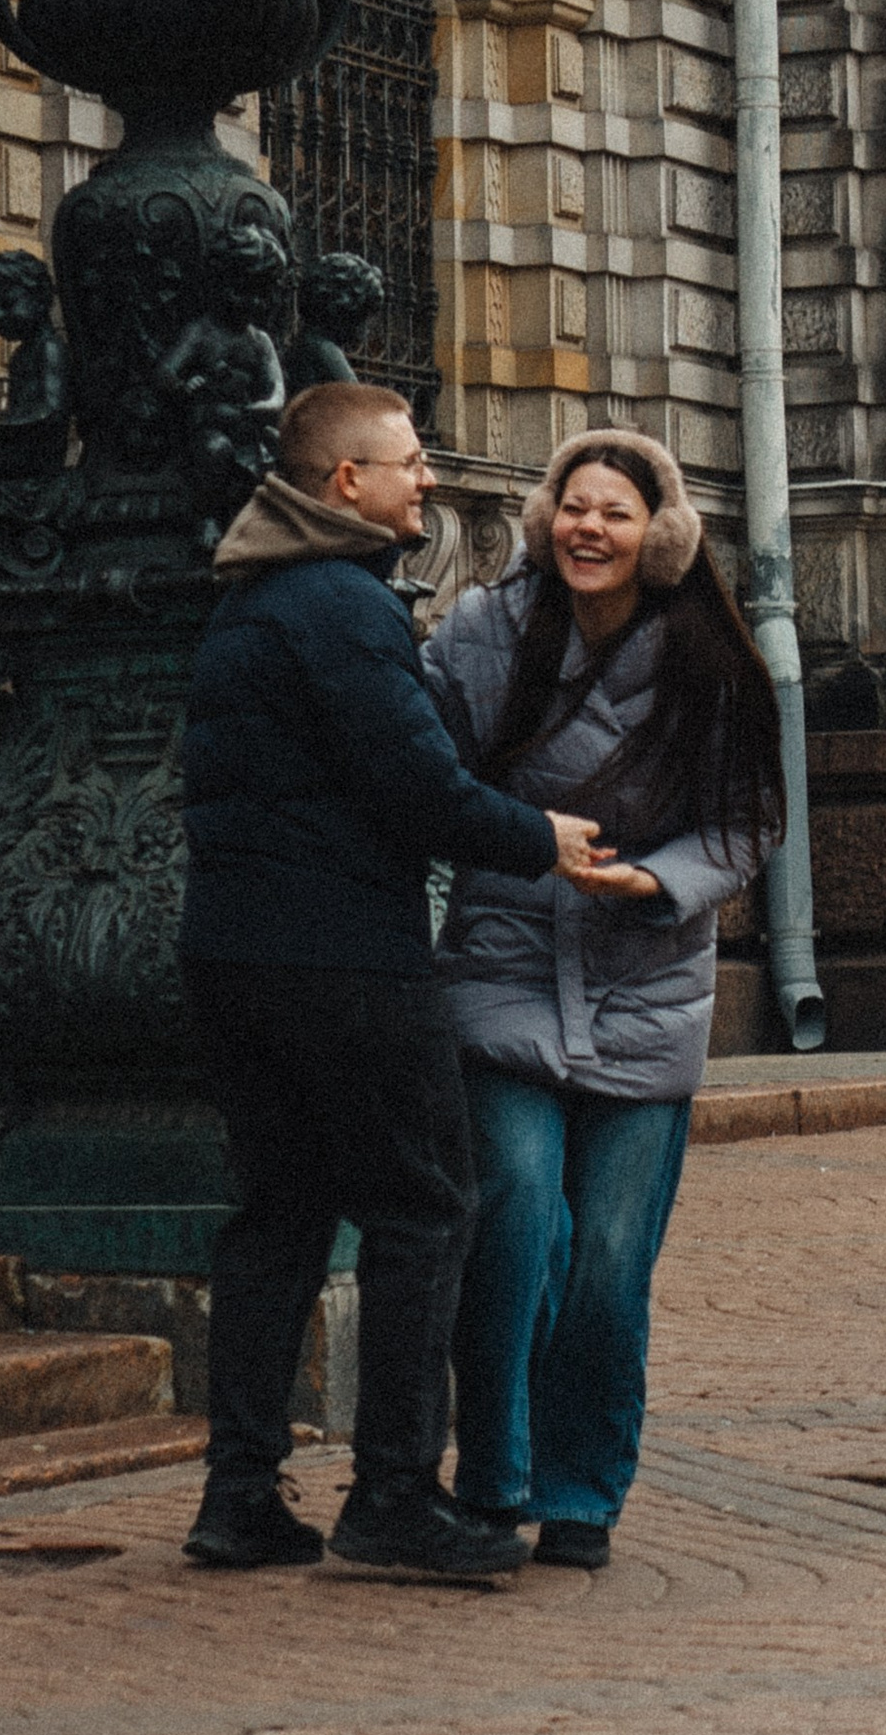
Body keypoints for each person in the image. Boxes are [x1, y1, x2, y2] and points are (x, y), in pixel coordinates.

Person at [177, 376, 606, 1579]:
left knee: (279, 1219)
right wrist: (545, 840)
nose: (428, 477)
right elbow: (416, 789)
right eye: (409, 461)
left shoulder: (252, 602)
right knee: (426, 1209)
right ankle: (395, 1499)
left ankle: (240, 1498)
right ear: (344, 484)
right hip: (342, 959)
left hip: (232, 952)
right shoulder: (341, 605)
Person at [423, 427, 785, 1570]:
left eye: (615, 512)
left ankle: (581, 1494)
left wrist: (658, 881)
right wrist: (516, 846)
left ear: (659, 536)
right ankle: (493, 1478)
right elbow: (420, 770)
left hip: (645, 991)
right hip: (503, 972)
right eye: (572, 506)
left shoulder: (712, 661)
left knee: (608, 1266)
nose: (589, 527)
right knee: (517, 1225)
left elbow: (744, 828)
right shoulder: (484, 631)